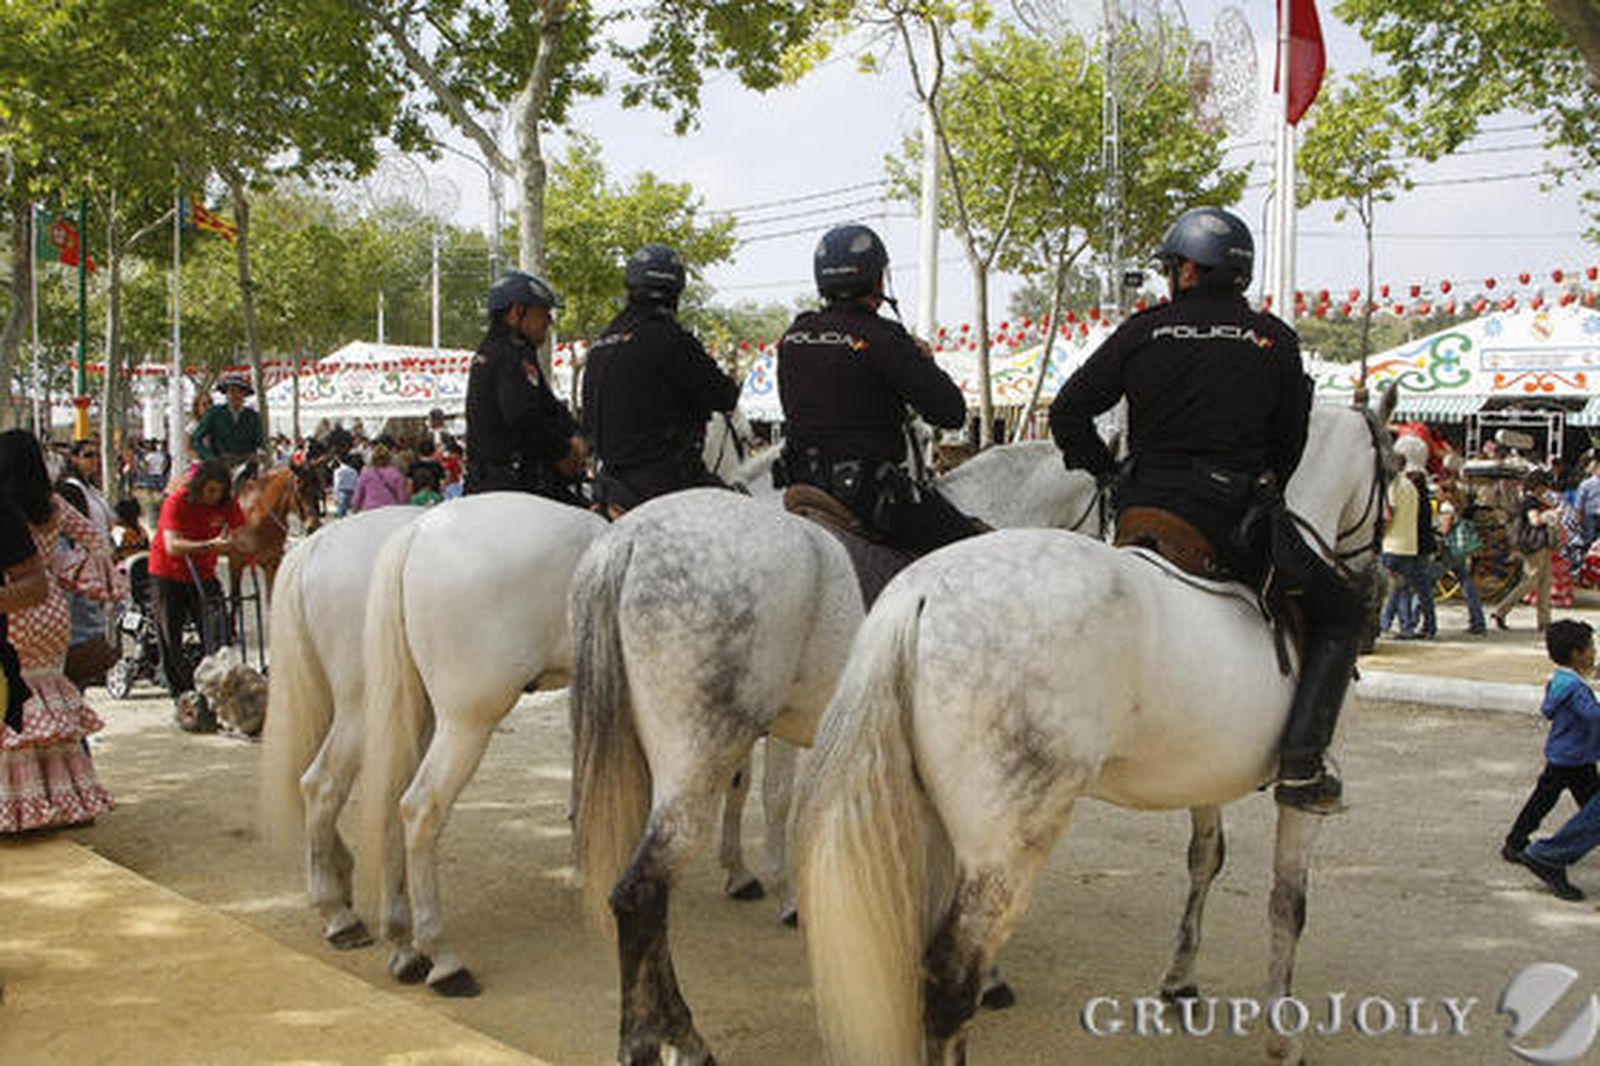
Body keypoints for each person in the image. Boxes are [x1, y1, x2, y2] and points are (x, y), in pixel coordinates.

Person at [1050, 206, 1357, 815]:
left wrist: (1107, 472)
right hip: (1227, 518)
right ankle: (1301, 764)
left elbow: (1068, 411)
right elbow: (1288, 446)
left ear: (1188, 270)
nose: (1169, 277)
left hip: (1140, 515)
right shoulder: (1274, 339)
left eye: (1171, 267)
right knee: (1344, 610)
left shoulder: (1145, 330)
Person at [775, 224, 980, 555]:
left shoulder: (793, 336)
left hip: (799, 483)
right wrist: (922, 359)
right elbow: (950, 412)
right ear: (878, 280)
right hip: (865, 497)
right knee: (971, 553)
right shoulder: (884, 336)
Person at [0, 430, 117, 832]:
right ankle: (66, 798)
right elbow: (97, 540)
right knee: (51, 698)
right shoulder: (53, 504)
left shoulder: (5, 506)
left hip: (13, 604)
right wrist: (66, 570)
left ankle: (18, 806)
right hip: (51, 610)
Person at [582, 244, 742, 513]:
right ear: (676, 291)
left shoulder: (602, 342)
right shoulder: (670, 338)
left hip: (608, 481)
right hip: (664, 483)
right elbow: (723, 396)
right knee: (742, 516)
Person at [463, 271, 587, 504]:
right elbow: (523, 417)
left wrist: (573, 432)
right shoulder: (512, 355)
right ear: (516, 312)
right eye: (543, 312)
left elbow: (549, 405)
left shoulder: (494, 350)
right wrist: (562, 451)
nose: (549, 321)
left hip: (484, 482)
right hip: (513, 486)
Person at [148, 459, 253, 732]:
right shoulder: (178, 502)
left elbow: (243, 536)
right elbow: (172, 545)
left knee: (217, 628)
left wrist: (240, 546)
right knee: (170, 633)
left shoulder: (226, 505)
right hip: (168, 573)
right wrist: (211, 545)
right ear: (198, 487)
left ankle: (219, 682)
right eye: (208, 491)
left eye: (218, 491)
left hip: (203, 573)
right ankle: (180, 692)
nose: (212, 497)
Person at [1501, 619, 1600, 889]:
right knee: (1557, 802)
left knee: (1566, 801)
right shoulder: (1575, 688)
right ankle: (1517, 842)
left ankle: (1517, 841)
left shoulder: (1562, 681)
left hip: (1570, 755)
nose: (1594, 652)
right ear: (1577, 654)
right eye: (1590, 647)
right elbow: (1592, 715)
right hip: (1573, 757)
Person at [1378, 436, 1436, 640]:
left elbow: (1388, 515)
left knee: (1395, 589)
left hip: (1392, 545)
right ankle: (1420, 626)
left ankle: (1402, 627)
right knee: (1414, 589)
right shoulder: (1412, 487)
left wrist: (1379, 535)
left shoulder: (1393, 485)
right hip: (1410, 545)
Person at [1493, 470, 1559, 632]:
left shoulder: (1535, 500)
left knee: (1544, 583)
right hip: (1534, 545)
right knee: (1531, 581)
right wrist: (1551, 515)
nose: (1546, 489)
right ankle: (1501, 610)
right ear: (1537, 485)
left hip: (1541, 545)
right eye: (1544, 485)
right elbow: (1535, 521)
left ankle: (1544, 622)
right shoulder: (1530, 502)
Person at [1435, 470, 1487, 635]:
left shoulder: (1446, 507)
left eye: (1439, 491)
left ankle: (1416, 619)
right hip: (1460, 550)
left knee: (1426, 581)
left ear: (1445, 492)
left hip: (1450, 549)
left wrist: (1435, 534)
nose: (1436, 494)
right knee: (1467, 584)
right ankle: (1478, 621)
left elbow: (1445, 529)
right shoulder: (1459, 505)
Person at [190, 373, 265, 468]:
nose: (234, 395)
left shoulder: (254, 417)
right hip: (219, 465)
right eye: (231, 391)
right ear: (226, 394)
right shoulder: (214, 413)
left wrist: (259, 454)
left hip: (246, 465)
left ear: (244, 394)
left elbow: (260, 443)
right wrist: (210, 458)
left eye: (239, 391)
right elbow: (196, 439)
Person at [350, 443, 409, 512]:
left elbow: (358, 496)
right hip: (391, 511)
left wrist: (355, 509)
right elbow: (402, 497)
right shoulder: (396, 474)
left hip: (371, 510)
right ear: (389, 458)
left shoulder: (366, 474)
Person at [332, 453, 359, 518]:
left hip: (342, 492)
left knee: (341, 514)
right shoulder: (354, 471)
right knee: (353, 513)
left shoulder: (338, 471)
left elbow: (337, 484)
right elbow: (356, 482)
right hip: (352, 492)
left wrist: (335, 496)